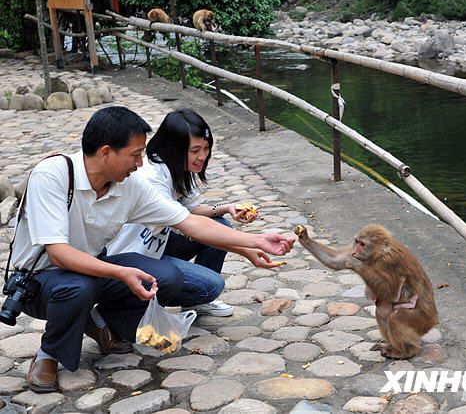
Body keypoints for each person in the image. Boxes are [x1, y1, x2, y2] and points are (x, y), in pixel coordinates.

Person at [8, 106, 294, 393]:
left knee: (166, 276)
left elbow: (190, 222)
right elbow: (58, 253)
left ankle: (104, 323)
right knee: (78, 286)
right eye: (134, 155)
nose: (139, 163)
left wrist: (255, 241)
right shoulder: (53, 175)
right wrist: (121, 272)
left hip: (95, 270)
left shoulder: (129, 186)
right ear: (107, 152)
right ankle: (49, 354)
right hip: (43, 282)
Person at [107, 108, 275, 317]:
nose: (202, 156)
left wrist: (226, 208)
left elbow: (189, 209)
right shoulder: (152, 179)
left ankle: (194, 300)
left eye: (206, 148)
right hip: (134, 254)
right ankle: (126, 307)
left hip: (158, 240)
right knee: (211, 285)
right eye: (195, 150)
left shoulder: (175, 167)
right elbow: (190, 226)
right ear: (174, 147)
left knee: (221, 223)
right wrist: (250, 245)